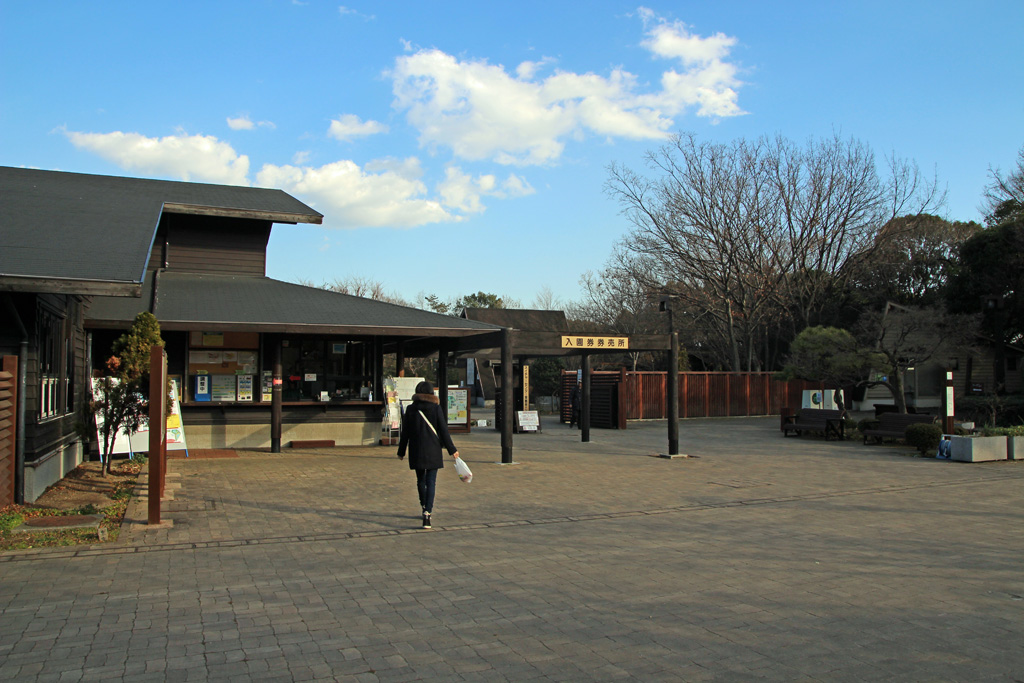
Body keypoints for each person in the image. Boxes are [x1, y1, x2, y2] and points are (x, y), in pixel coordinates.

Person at [397, 380, 459, 529]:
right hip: (433, 450)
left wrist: (401, 451)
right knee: (431, 481)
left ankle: (423, 504)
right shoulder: (436, 408)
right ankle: (427, 512)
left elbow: (405, 432)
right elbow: (443, 430)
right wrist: (452, 450)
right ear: (432, 393)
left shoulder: (411, 409)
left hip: (416, 449)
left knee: (420, 480)